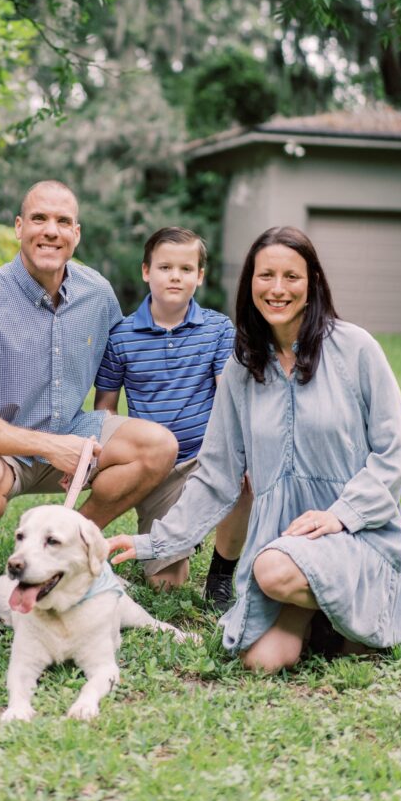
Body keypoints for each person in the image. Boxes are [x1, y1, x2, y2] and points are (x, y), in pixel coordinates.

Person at [108, 226, 401, 671]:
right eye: (265, 275)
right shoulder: (243, 365)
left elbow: (396, 453)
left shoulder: (355, 349)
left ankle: (357, 607)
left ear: (312, 283)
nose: (277, 289)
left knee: (272, 570)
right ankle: (329, 621)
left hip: (354, 533)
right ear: (249, 282)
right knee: (261, 661)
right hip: (283, 543)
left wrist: (340, 514)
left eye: (291, 276)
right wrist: (154, 542)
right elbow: (215, 474)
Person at [0, 180, 178, 599]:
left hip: (74, 430)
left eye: (63, 221)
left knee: (158, 446)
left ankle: (71, 546)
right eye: (39, 219)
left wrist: (93, 431)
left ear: (76, 234)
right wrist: (51, 447)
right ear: (18, 227)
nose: (51, 230)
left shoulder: (97, 294)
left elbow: (120, 364)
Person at [94, 226, 252, 608]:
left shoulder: (217, 329)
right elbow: (105, 410)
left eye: (186, 268)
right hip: (159, 468)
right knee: (167, 587)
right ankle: (178, 537)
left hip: (207, 458)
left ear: (200, 276)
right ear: (146, 271)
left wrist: (239, 453)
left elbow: (228, 397)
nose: (175, 276)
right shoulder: (122, 337)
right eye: (165, 267)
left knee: (246, 482)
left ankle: (220, 574)